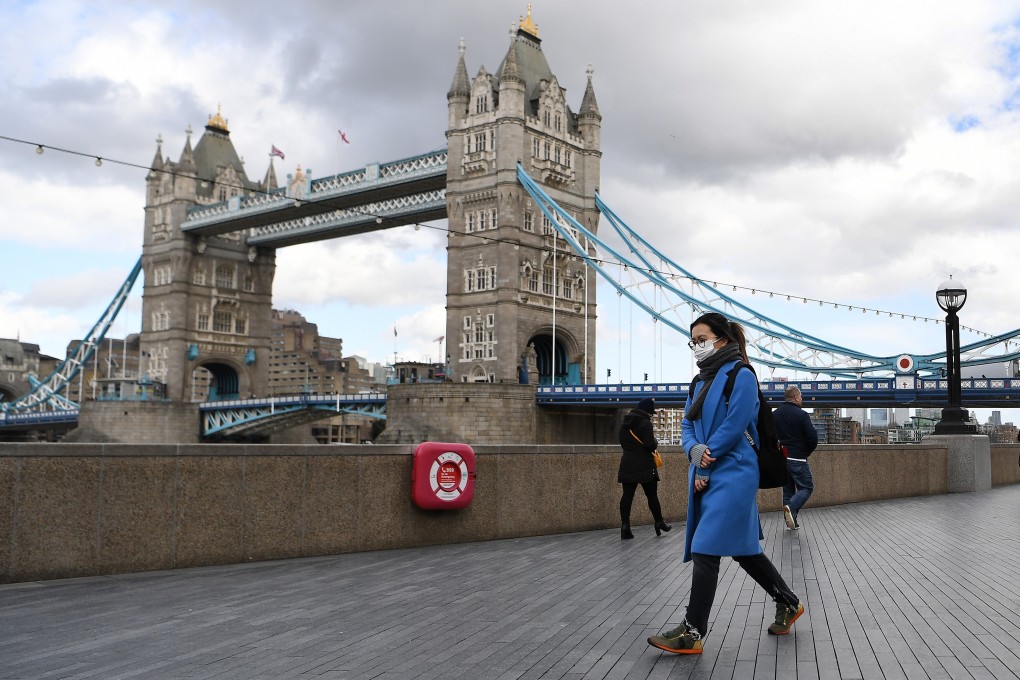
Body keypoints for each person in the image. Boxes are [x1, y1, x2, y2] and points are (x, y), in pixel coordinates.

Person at [648, 312, 804, 655]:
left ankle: (692, 631)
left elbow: (736, 425)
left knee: (706, 547)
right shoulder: (698, 382)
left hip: (734, 473)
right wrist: (694, 452)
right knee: (744, 549)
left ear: (721, 339)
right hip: (705, 472)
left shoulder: (742, 375)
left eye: (701, 340)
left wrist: (706, 456)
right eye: (693, 341)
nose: (696, 347)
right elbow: (687, 427)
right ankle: (789, 602)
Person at [617, 397, 671, 540]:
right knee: (652, 496)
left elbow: (622, 442)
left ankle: (625, 527)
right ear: (648, 411)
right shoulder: (645, 423)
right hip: (645, 466)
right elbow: (649, 445)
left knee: (627, 496)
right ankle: (659, 522)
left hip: (627, 464)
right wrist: (655, 441)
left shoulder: (625, 423)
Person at [773, 386, 818, 530]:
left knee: (788, 491)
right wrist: (805, 452)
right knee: (806, 487)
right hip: (797, 458)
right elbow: (813, 438)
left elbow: (771, 437)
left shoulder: (775, 415)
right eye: (801, 397)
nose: (802, 400)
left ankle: (791, 522)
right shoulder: (802, 415)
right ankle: (791, 508)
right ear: (796, 398)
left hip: (781, 458)